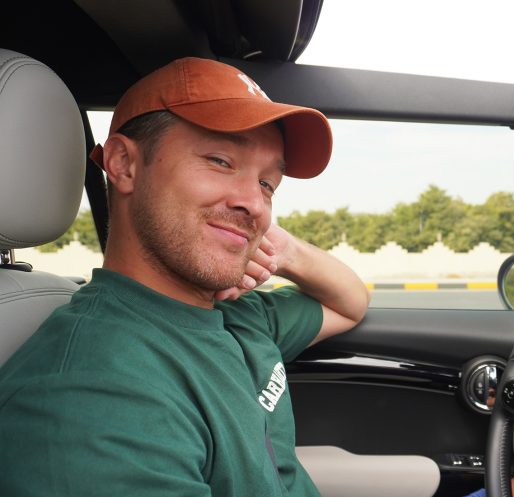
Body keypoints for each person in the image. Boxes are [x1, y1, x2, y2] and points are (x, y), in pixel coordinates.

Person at [0, 57, 370, 496]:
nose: (255, 204)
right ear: (123, 163)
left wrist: (282, 250)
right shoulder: (91, 396)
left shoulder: (236, 316)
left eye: (268, 184)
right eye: (220, 160)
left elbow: (350, 302)